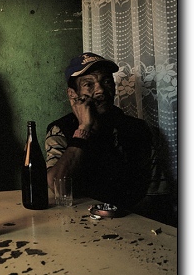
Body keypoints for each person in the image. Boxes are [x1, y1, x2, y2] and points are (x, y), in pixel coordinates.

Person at [45, 53, 153, 211]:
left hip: (131, 217)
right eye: (89, 84)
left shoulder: (136, 128)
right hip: (80, 218)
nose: (101, 90)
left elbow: (156, 193)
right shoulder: (61, 129)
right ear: (72, 94)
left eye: (107, 81)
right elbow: (57, 186)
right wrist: (83, 129)